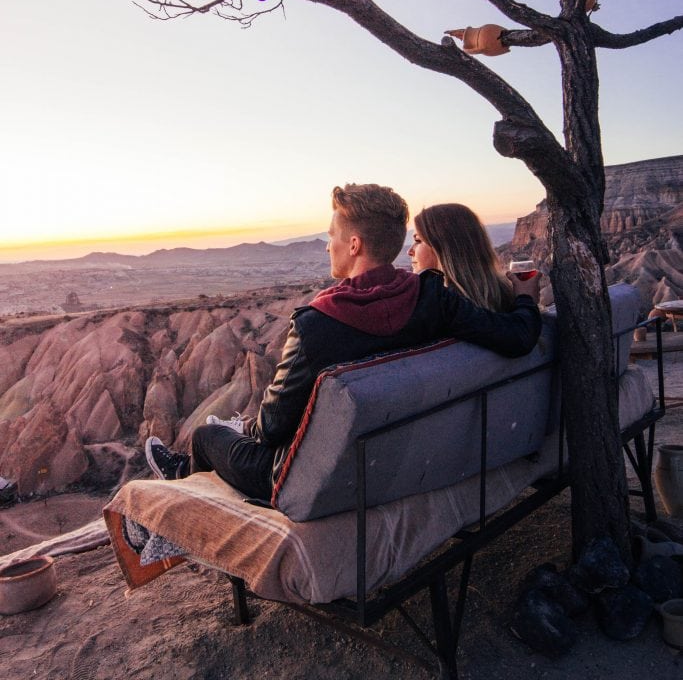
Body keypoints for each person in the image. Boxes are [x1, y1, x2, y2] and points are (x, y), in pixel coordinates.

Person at [145, 183, 541, 501]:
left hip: (318, 482)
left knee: (205, 436)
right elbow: (519, 337)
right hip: (402, 460)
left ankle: (181, 482)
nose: (327, 244)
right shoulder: (435, 297)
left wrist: (245, 429)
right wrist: (525, 295)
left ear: (354, 245)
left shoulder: (318, 324)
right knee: (232, 429)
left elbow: (272, 429)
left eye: (332, 235)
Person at [408, 203, 514, 311]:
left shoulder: (436, 307)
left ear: (444, 247)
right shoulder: (510, 299)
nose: (410, 251)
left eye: (418, 241)